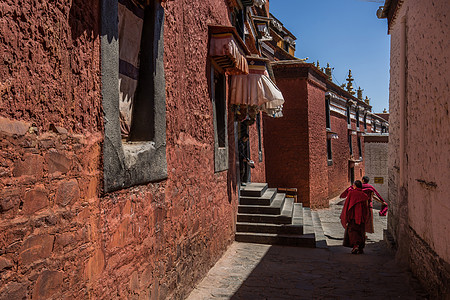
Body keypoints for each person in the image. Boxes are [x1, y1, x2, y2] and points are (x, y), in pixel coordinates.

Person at [340, 180, 370, 254]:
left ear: (355, 186)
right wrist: (365, 217)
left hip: (353, 217)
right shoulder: (364, 195)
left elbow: (347, 206)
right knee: (361, 232)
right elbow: (366, 208)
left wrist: (345, 216)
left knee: (353, 232)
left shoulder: (351, 193)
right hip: (361, 218)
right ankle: (360, 248)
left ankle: (355, 246)